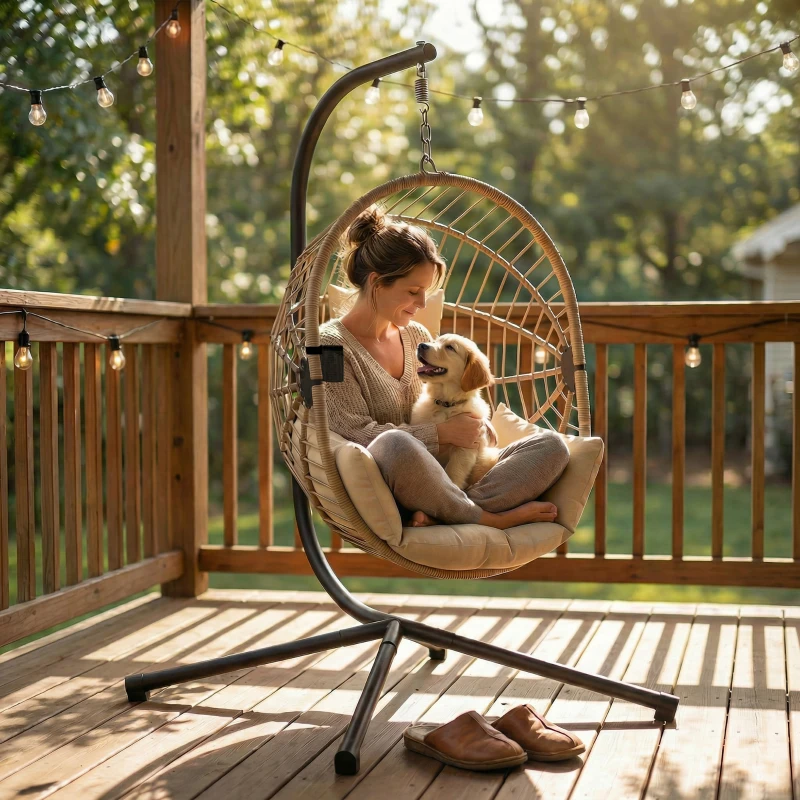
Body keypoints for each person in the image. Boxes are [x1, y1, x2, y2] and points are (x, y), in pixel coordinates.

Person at [319, 203, 570, 530]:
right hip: (396, 481)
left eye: (426, 292)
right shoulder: (328, 346)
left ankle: (445, 513)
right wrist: (439, 434)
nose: (422, 303)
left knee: (551, 447)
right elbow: (350, 432)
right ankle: (490, 517)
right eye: (413, 291)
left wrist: (477, 427)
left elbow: (451, 395)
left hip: (450, 481)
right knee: (394, 444)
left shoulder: (417, 336)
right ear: (377, 282)